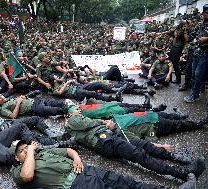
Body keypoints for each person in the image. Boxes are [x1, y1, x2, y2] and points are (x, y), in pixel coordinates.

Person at [65, 106, 206, 181]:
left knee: (144, 145)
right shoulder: (72, 120)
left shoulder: (77, 123)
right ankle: (181, 173)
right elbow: (88, 123)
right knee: (141, 156)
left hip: (109, 137)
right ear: (70, 114)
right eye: (76, 109)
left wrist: (110, 127)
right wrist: (104, 123)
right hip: (106, 140)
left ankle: (176, 157)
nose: (79, 110)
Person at [11, 141, 196, 189]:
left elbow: (68, 150)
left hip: (88, 171)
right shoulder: (18, 170)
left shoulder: (43, 152)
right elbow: (28, 176)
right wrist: (32, 153)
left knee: (128, 183)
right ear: (17, 158)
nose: (26, 150)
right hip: (76, 185)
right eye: (22, 151)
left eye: (26, 147)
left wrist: (77, 158)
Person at [184, 4, 208, 103]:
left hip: (206, 54)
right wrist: (186, 31)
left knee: (198, 75)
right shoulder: (199, 24)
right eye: (206, 13)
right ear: (203, 13)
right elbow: (190, 37)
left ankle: (194, 94)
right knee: (194, 75)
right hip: (197, 53)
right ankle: (196, 92)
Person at [0, 93, 68, 119]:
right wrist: (18, 103)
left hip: (35, 101)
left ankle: (67, 105)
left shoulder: (9, 99)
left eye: (1, 95)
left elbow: (22, 99)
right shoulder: (3, 108)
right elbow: (13, 116)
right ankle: (68, 111)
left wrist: (23, 97)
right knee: (52, 110)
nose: (1, 97)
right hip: (33, 108)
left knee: (53, 102)